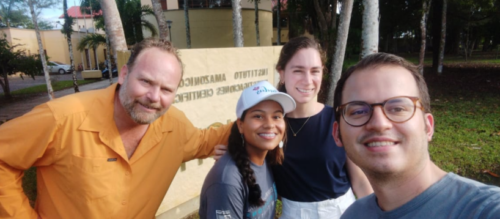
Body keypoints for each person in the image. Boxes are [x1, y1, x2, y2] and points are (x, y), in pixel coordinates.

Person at [0, 39, 231, 219]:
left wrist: (259, 117)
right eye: (146, 82)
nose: (154, 97)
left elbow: (205, 141)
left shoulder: (174, 126)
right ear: (124, 74)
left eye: (166, 89)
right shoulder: (62, 118)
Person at [214, 37, 373, 219]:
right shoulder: (270, 128)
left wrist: (377, 214)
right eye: (298, 71)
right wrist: (233, 154)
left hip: (342, 212)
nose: (307, 80)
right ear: (281, 73)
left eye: (315, 71)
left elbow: (359, 180)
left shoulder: (338, 119)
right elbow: (253, 165)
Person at [332, 53, 500, 218]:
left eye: (398, 108)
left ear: (428, 126)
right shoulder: (354, 215)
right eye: (359, 111)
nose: (379, 124)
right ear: (337, 134)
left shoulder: (485, 209)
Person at [199, 80, 296, 219]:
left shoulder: (266, 159)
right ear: (240, 125)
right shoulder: (227, 182)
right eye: (258, 116)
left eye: (276, 116)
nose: (269, 124)